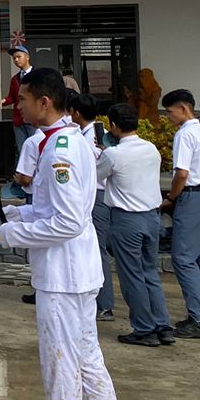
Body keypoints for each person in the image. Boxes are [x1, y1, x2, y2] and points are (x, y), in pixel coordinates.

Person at [0, 67, 129, 400]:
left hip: (64, 275)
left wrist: (13, 233)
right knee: (88, 361)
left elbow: (68, 221)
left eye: (23, 99)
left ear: (45, 102)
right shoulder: (67, 141)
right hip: (75, 271)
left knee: (61, 364)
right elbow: (55, 208)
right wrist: (20, 213)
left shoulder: (59, 151)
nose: (19, 106)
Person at [97, 103, 173, 346]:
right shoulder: (151, 149)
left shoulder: (113, 154)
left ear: (114, 126)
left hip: (126, 219)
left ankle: (143, 328)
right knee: (149, 273)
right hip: (151, 216)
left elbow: (92, 175)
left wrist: (99, 152)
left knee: (132, 276)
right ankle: (162, 324)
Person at [159, 89, 200, 338]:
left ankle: (199, 316)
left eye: (170, 112)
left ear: (183, 109)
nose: (168, 117)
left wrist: (171, 198)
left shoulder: (185, 135)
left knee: (183, 258)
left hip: (192, 196)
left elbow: (182, 173)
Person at [70, 92, 114, 321]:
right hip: (95, 194)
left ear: (76, 113)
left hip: (96, 195)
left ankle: (104, 303)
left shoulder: (91, 138)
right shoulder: (97, 133)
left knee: (98, 250)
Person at [2, 45, 35, 154]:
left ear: (27, 57)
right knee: (21, 149)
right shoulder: (15, 79)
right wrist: (4, 101)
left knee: (35, 148)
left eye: (19, 57)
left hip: (33, 119)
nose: (16, 60)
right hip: (18, 119)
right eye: (14, 58)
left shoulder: (37, 76)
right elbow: (12, 97)